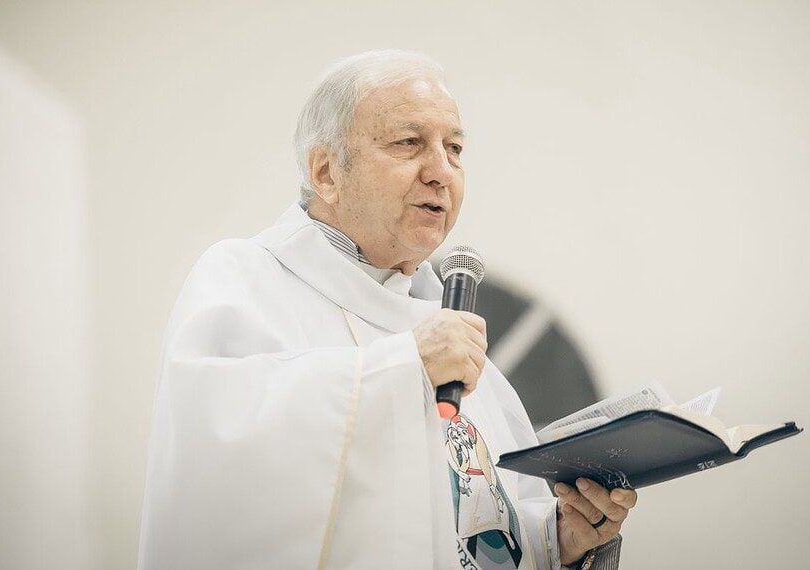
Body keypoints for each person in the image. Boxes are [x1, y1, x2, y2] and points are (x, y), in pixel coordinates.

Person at [137, 49, 637, 570]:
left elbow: (471, 535)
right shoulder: (245, 279)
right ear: (326, 171)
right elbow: (215, 458)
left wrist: (557, 538)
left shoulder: (452, 338)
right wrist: (403, 367)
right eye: (408, 143)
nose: (441, 172)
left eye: (456, 148)